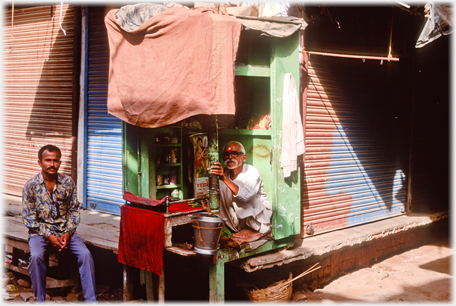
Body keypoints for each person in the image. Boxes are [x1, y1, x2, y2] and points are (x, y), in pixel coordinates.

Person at [22, 144, 96, 303]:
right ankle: (40, 299)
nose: (51, 164)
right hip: (40, 234)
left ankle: (91, 300)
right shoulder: (31, 186)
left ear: (60, 163)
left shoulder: (68, 183)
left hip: (65, 233)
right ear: (40, 162)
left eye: (55, 160)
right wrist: (48, 236)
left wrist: (68, 233)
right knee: (36, 257)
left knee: (86, 255)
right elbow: (29, 219)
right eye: (47, 160)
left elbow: (74, 210)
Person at [210, 141, 272, 242]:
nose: (230, 157)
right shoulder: (225, 173)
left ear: (244, 157)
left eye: (234, 154)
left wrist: (224, 178)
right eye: (226, 154)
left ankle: (253, 229)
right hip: (235, 220)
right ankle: (235, 227)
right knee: (221, 185)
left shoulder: (252, 172)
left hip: (256, 220)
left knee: (235, 187)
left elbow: (246, 196)